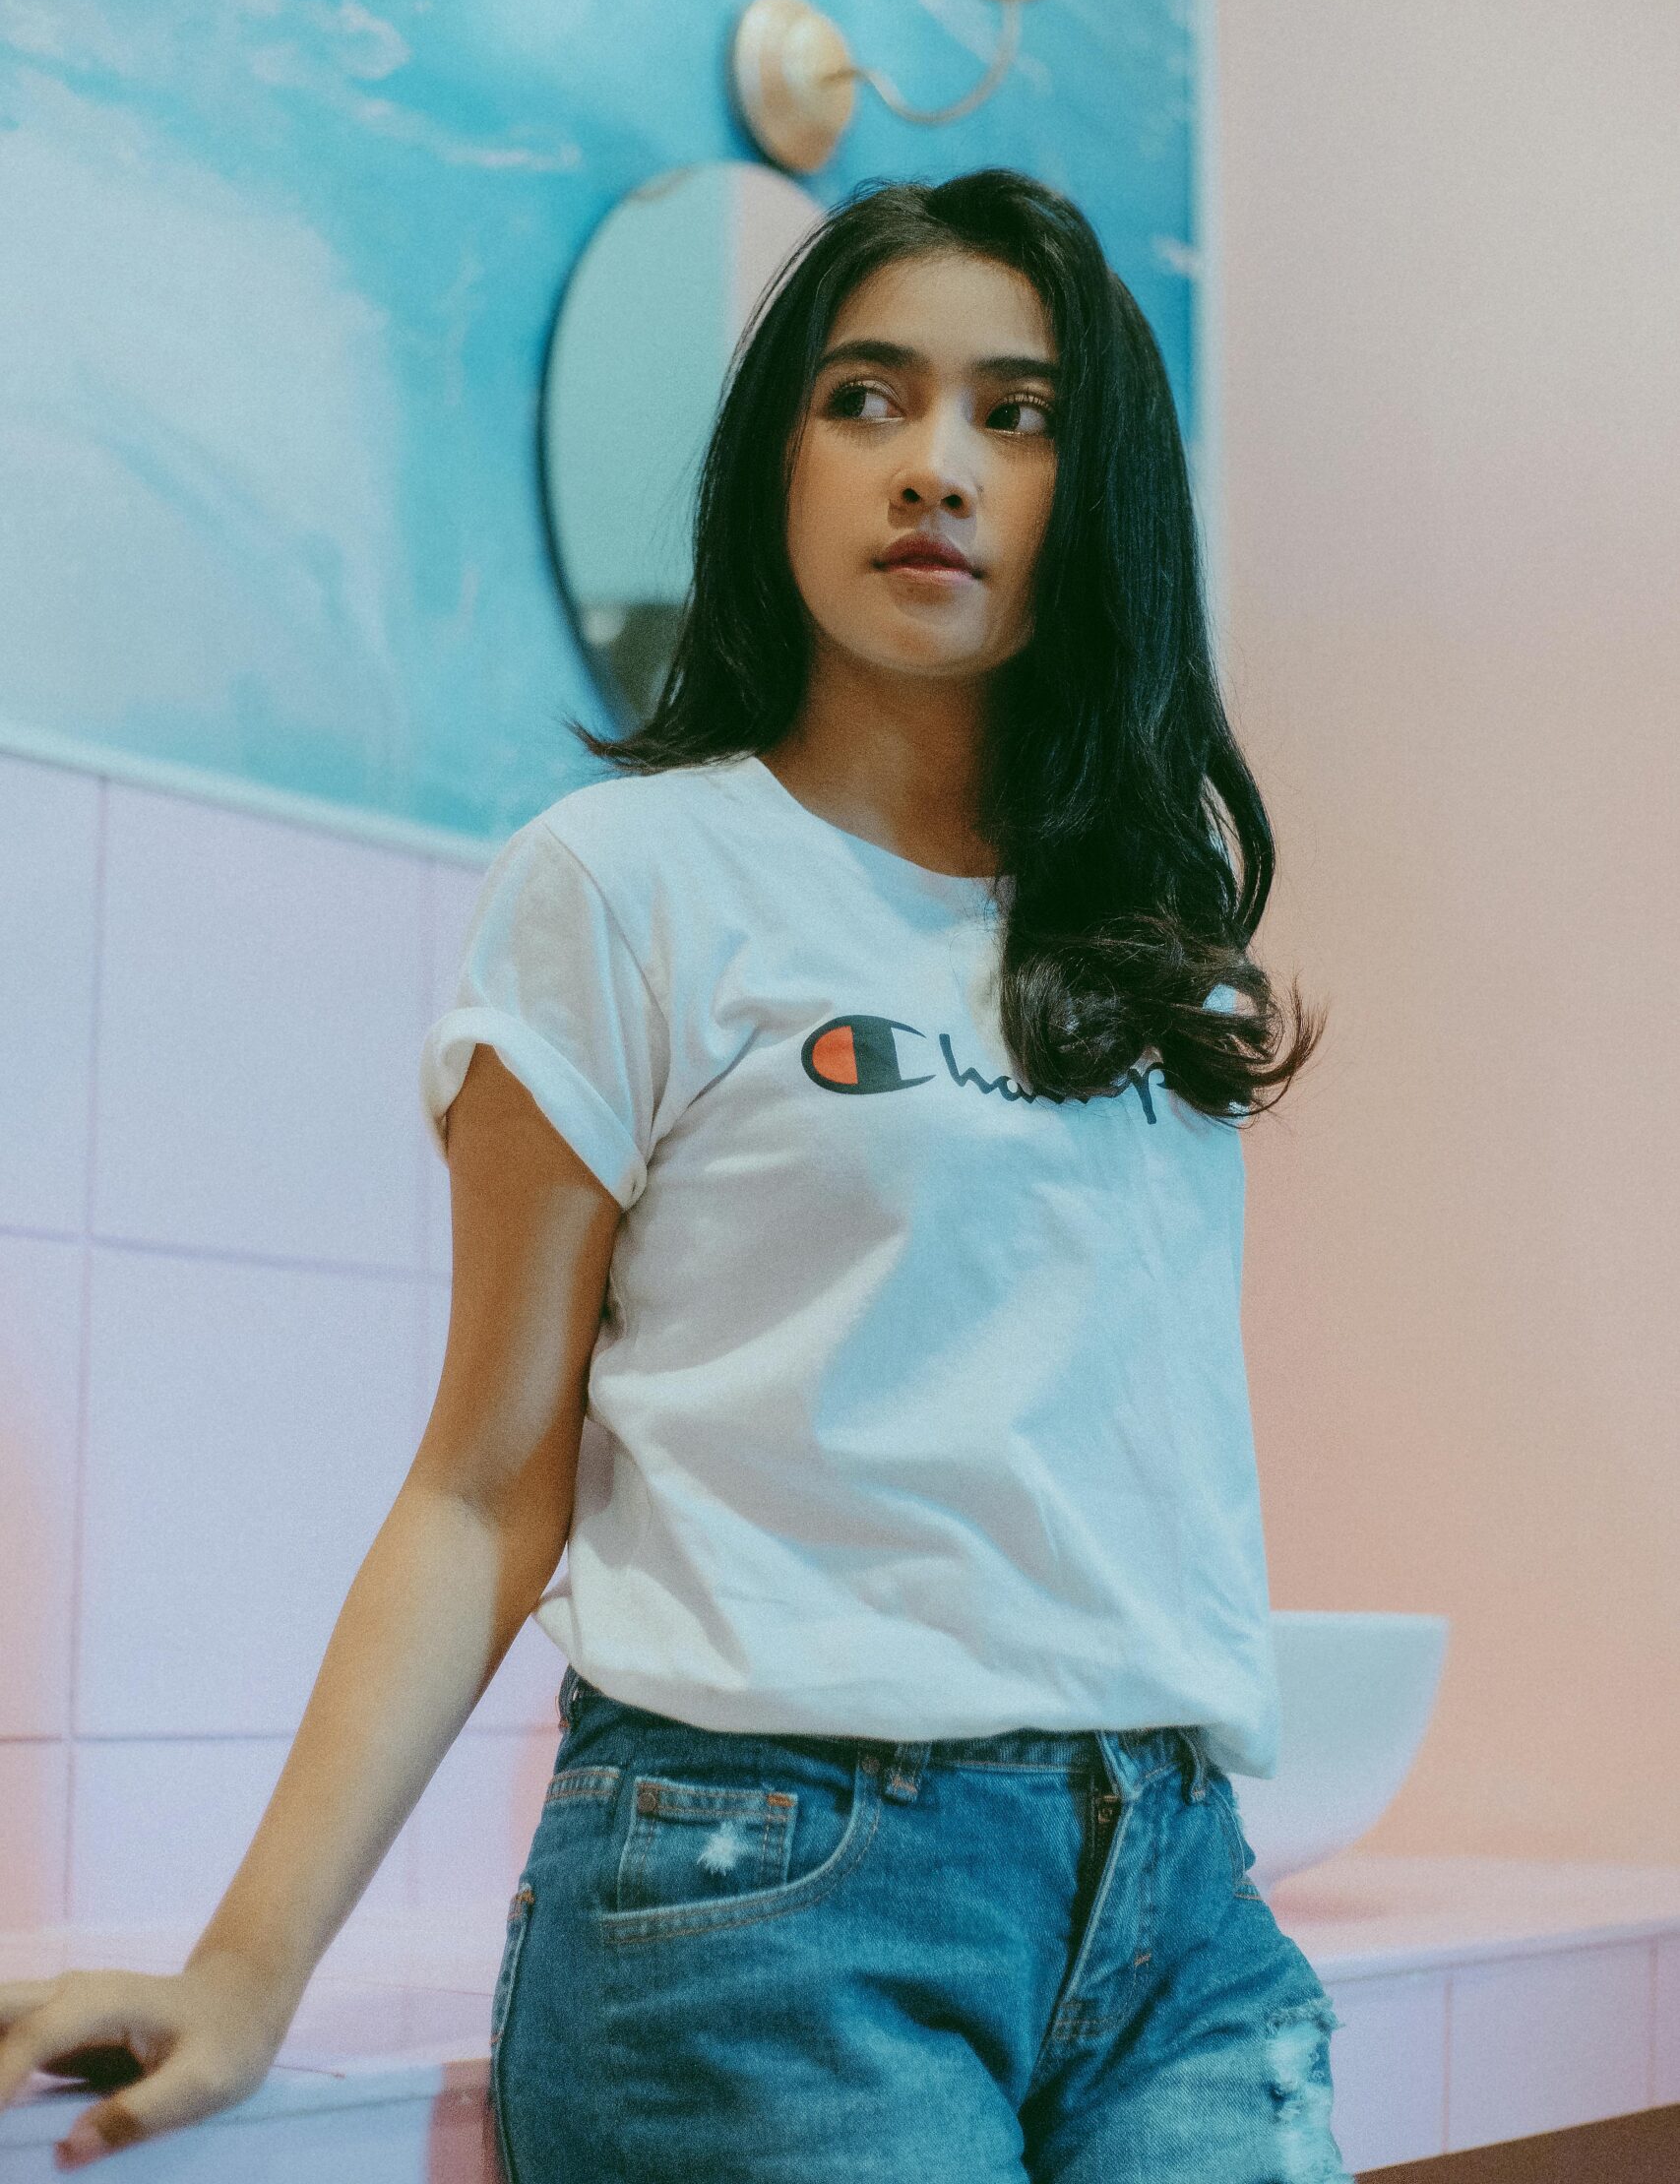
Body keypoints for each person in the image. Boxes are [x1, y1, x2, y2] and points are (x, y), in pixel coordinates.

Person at [0, 168, 1349, 2180]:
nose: (934, 464)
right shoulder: (627, 882)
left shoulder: (1158, 955)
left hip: (1177, 1909)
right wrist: (246, 1968)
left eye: (1015, 414)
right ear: (772, 462)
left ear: (1103, 497)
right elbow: (483, 1482)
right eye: (865, 397)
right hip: (771, 1896)